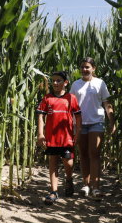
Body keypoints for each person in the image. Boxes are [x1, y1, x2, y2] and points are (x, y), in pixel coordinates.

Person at [70, 57, 116, 200]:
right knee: (83, 154)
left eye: (87, 67)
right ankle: (86, 185)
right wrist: (71, 124)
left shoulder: (100, 83)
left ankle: (96, 188)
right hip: (79, 123)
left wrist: (112, 122)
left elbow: (107, 104)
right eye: (82, 67)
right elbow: (70, 106)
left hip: (97, 122)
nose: (84, 69)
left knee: (94, 153)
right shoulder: (75, 85)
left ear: (93, 68)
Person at [37, 71, 82, 205]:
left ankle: (69, 180)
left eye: (58, 81)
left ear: (65, 83)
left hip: (67, 137)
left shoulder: (71, 98)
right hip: (51, 137)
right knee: (53, 162)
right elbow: (41, 116)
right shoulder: (47, 98)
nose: (55, 83)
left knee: (68, 163)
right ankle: (54, 191)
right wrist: (40, 134)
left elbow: (78, 117)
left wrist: (77, 133)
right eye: (54, 81)